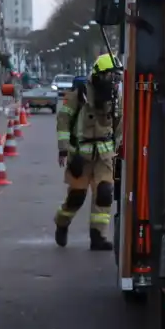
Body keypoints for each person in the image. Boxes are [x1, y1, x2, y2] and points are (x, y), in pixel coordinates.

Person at [55, 54, 122, 250]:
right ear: (99, 75)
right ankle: (61, 222)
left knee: (104, 192)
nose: (114, 81)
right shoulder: (80, 94)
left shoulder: (115, 97)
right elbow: (64, 120)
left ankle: (98, 236)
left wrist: (118, 150)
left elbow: (119, 126)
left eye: (116, 77)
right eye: (111, 76)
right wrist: (64, 149)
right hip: (80, 156)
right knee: (76, 196)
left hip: (104, 157)